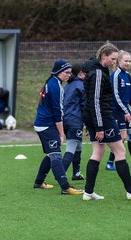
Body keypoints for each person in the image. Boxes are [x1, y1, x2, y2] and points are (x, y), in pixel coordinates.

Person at [82, 42, 131, 201]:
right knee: (120, 151)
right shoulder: (98, 73)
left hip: (94, 117)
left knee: (98, 152)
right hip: (103, 118)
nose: (114, 61)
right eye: (113, 58)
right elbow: (95, 101)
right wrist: (99, 126)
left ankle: (88, 192)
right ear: (104, 56)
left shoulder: (96, 69)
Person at [33, 59, 84, 195]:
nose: (69, 75)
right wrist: (61, 134)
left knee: (50, 154)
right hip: (47, 125)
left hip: (41, 123)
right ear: (58, 72)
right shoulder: (56, 87)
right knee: (56, 155)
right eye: (66, 72)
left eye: (70, 73)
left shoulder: (51, 82)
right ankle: (65, 187)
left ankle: (39, 182)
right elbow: (58, 112)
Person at [62, 63, 87, 180]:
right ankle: (60, 176)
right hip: (74, 121)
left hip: (64, 120)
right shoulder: (81, 85)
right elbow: (84, 106)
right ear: (80, 73)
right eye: (85, 72)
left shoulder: (67, 86)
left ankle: (76, 173)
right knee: (71, 148)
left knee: (78, 146)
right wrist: (88, 123)